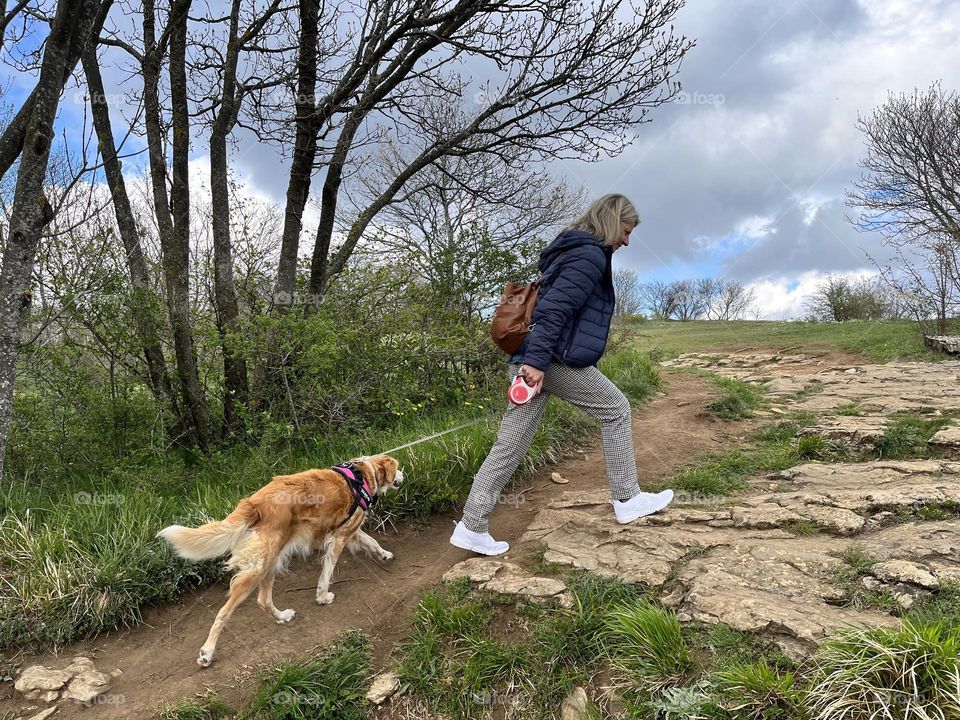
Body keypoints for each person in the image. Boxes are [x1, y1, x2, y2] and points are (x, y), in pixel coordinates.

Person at [449, 193, 675, 556]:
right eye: (626, 230)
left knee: (511, 444)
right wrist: (538, 364)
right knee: (615, 409)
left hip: (534, 358)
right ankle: (628, 498)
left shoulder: (570, 250)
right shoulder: (588, 255)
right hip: (549, 361)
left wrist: (532, 361)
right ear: (611, 221)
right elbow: (553, 312)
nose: (627, 241)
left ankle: (472, 525)